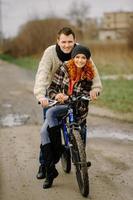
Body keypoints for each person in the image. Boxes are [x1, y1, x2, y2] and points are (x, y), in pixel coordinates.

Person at [34, 27, 102, 180]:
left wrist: (96, 89)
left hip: (75, 97)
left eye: (70, 41)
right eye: (63, 42)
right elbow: (42, 74)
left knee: (80, 125)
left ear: (74, 40)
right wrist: (40, 95)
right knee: (49, 130)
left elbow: (94, 74)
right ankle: (44, 164)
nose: (66, 45)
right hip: (54, 93)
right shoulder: (50, 53)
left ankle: (80, 159)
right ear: (58, 41)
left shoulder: (80, 52)